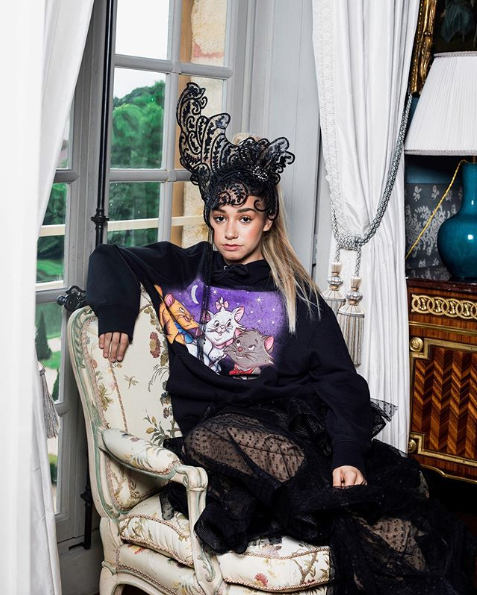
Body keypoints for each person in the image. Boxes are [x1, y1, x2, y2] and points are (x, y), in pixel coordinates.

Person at [87, 82, 476, 594]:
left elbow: (340, 381)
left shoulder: (298, 295)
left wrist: (347, 454)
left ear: (267, 221)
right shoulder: (186, 269)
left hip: (294, 436)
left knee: (389, 531)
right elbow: (109, 256)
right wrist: (116, 313)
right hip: (221, 442)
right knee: (210, 436)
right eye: (220, 218)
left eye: (245, 218)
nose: (230, 231)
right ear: (209, 218)